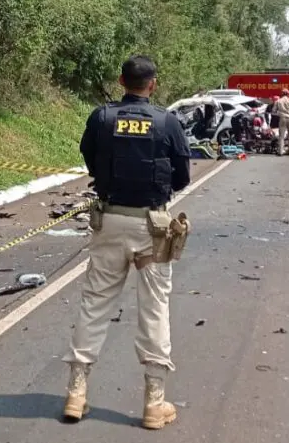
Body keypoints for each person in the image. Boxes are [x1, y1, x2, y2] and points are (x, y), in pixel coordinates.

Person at [64, 55, 192, 430]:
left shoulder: (101, 118)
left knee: (94, 305)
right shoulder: (167, 122)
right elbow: (183, 175)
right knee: (154, 310)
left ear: (122, 81)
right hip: (152, 226)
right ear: (152, 84)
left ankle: (76, 393)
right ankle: (154, 404)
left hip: (110, 221)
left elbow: (90, 158)